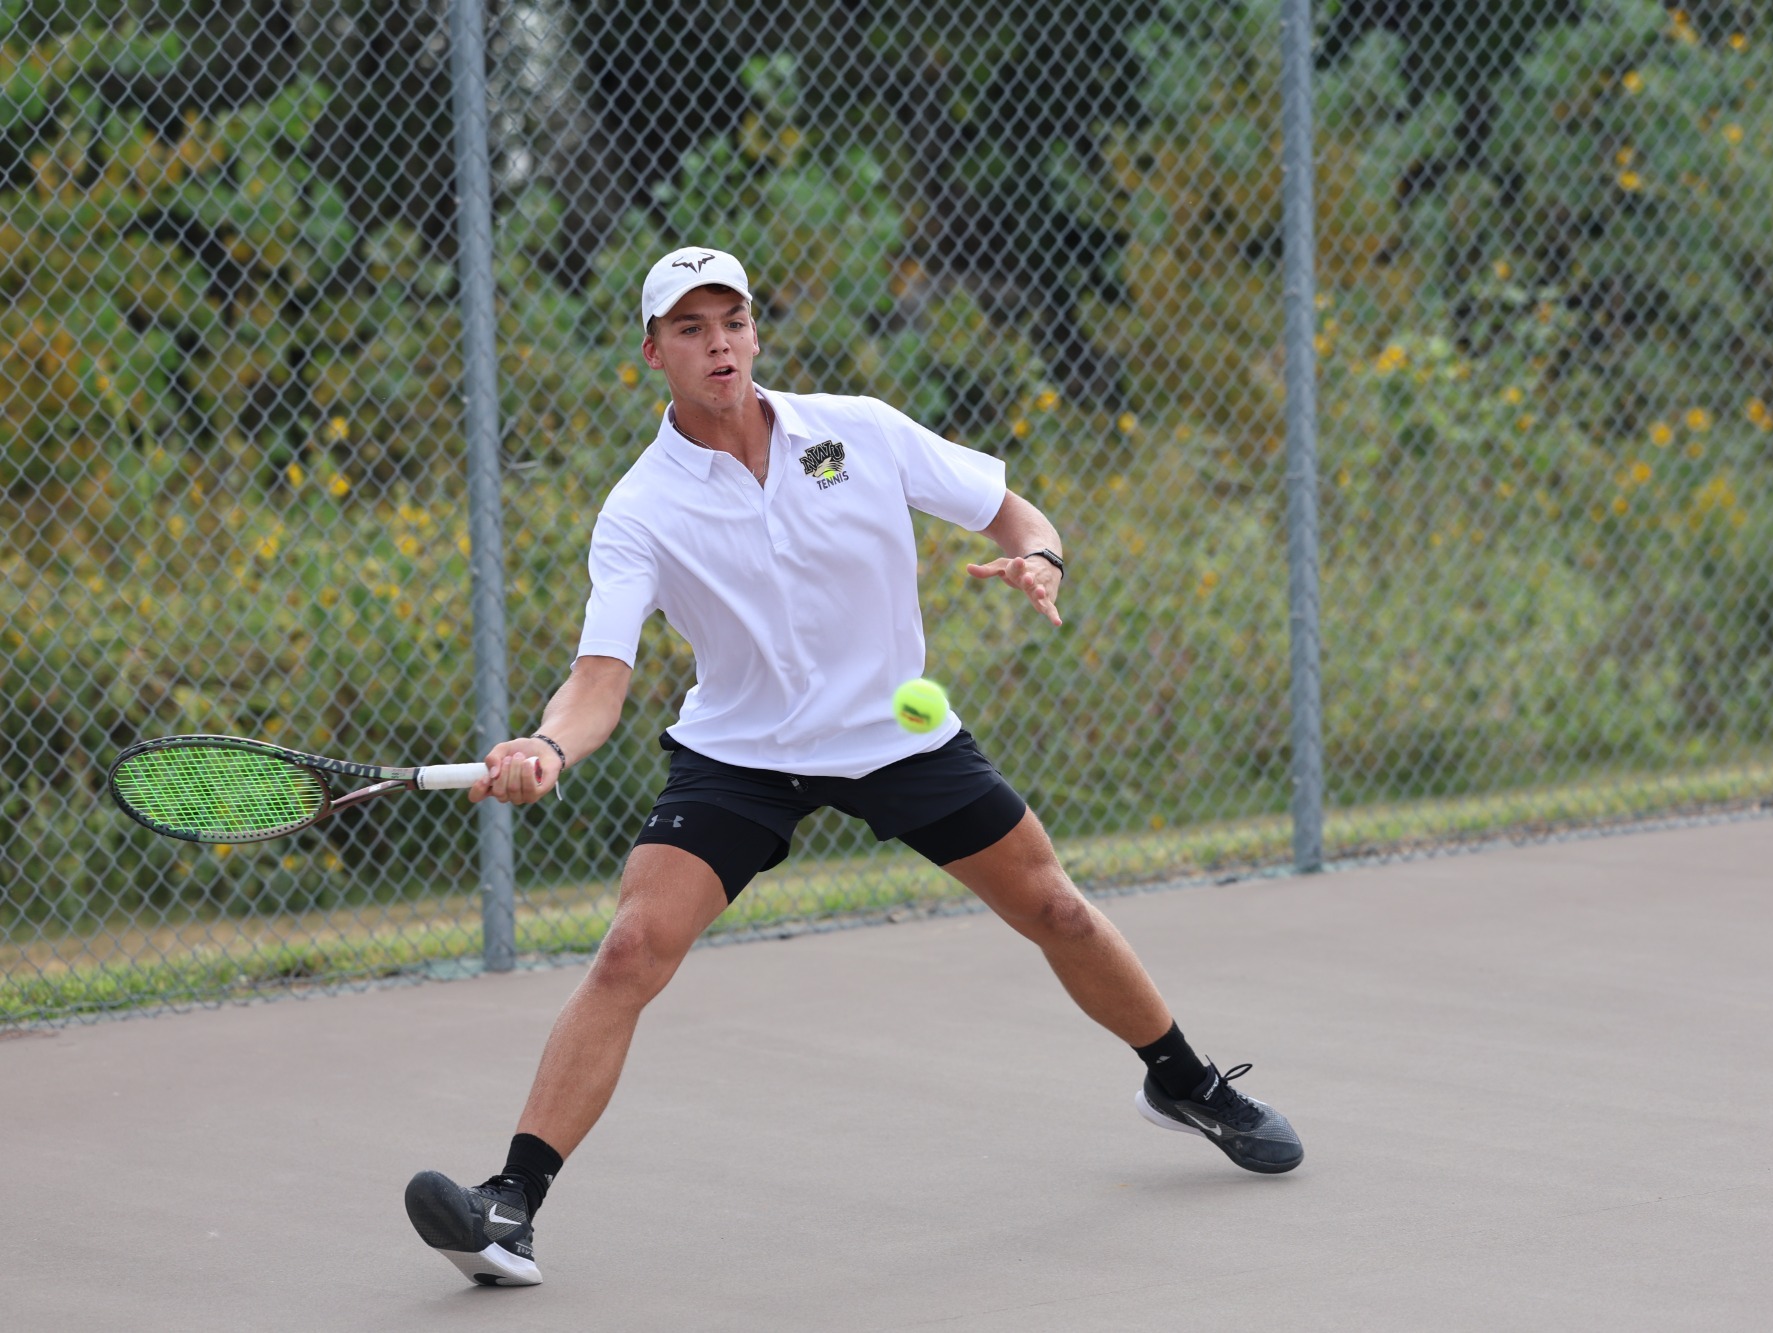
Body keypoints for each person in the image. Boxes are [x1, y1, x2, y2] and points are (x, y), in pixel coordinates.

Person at [403, 246, 1302, 1287]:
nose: (717, 344)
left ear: (754, 332)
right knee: (627, 951)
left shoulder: (859, 430)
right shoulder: (640, 507)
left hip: (894, 734)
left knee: (1054, 908)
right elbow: (598, 678)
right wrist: (548, 745)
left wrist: (1039, 556)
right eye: (689, 329)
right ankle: (508, 1204)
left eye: (730, 320)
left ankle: (1183, 1081)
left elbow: (1013, 511)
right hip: (740, 755)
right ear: (653, 352)